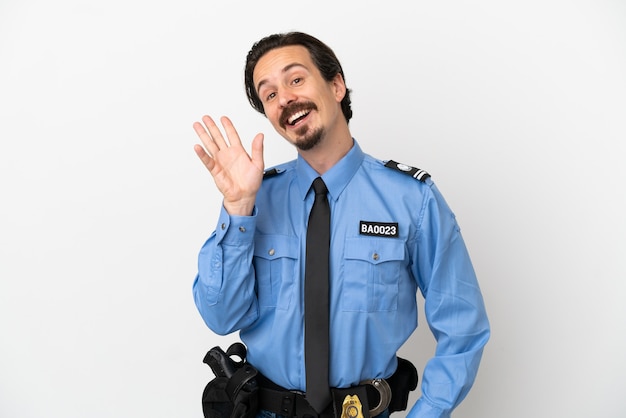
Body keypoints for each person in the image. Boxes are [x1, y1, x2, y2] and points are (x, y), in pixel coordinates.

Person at [192, 32, 490, 418]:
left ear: (336, 85)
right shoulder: (253, 199)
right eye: (268, 94)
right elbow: (221, 317)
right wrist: (237, 207)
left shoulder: (411, 199)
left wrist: (428, 412)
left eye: (295, 79)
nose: (283, 98)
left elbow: (463, 328)